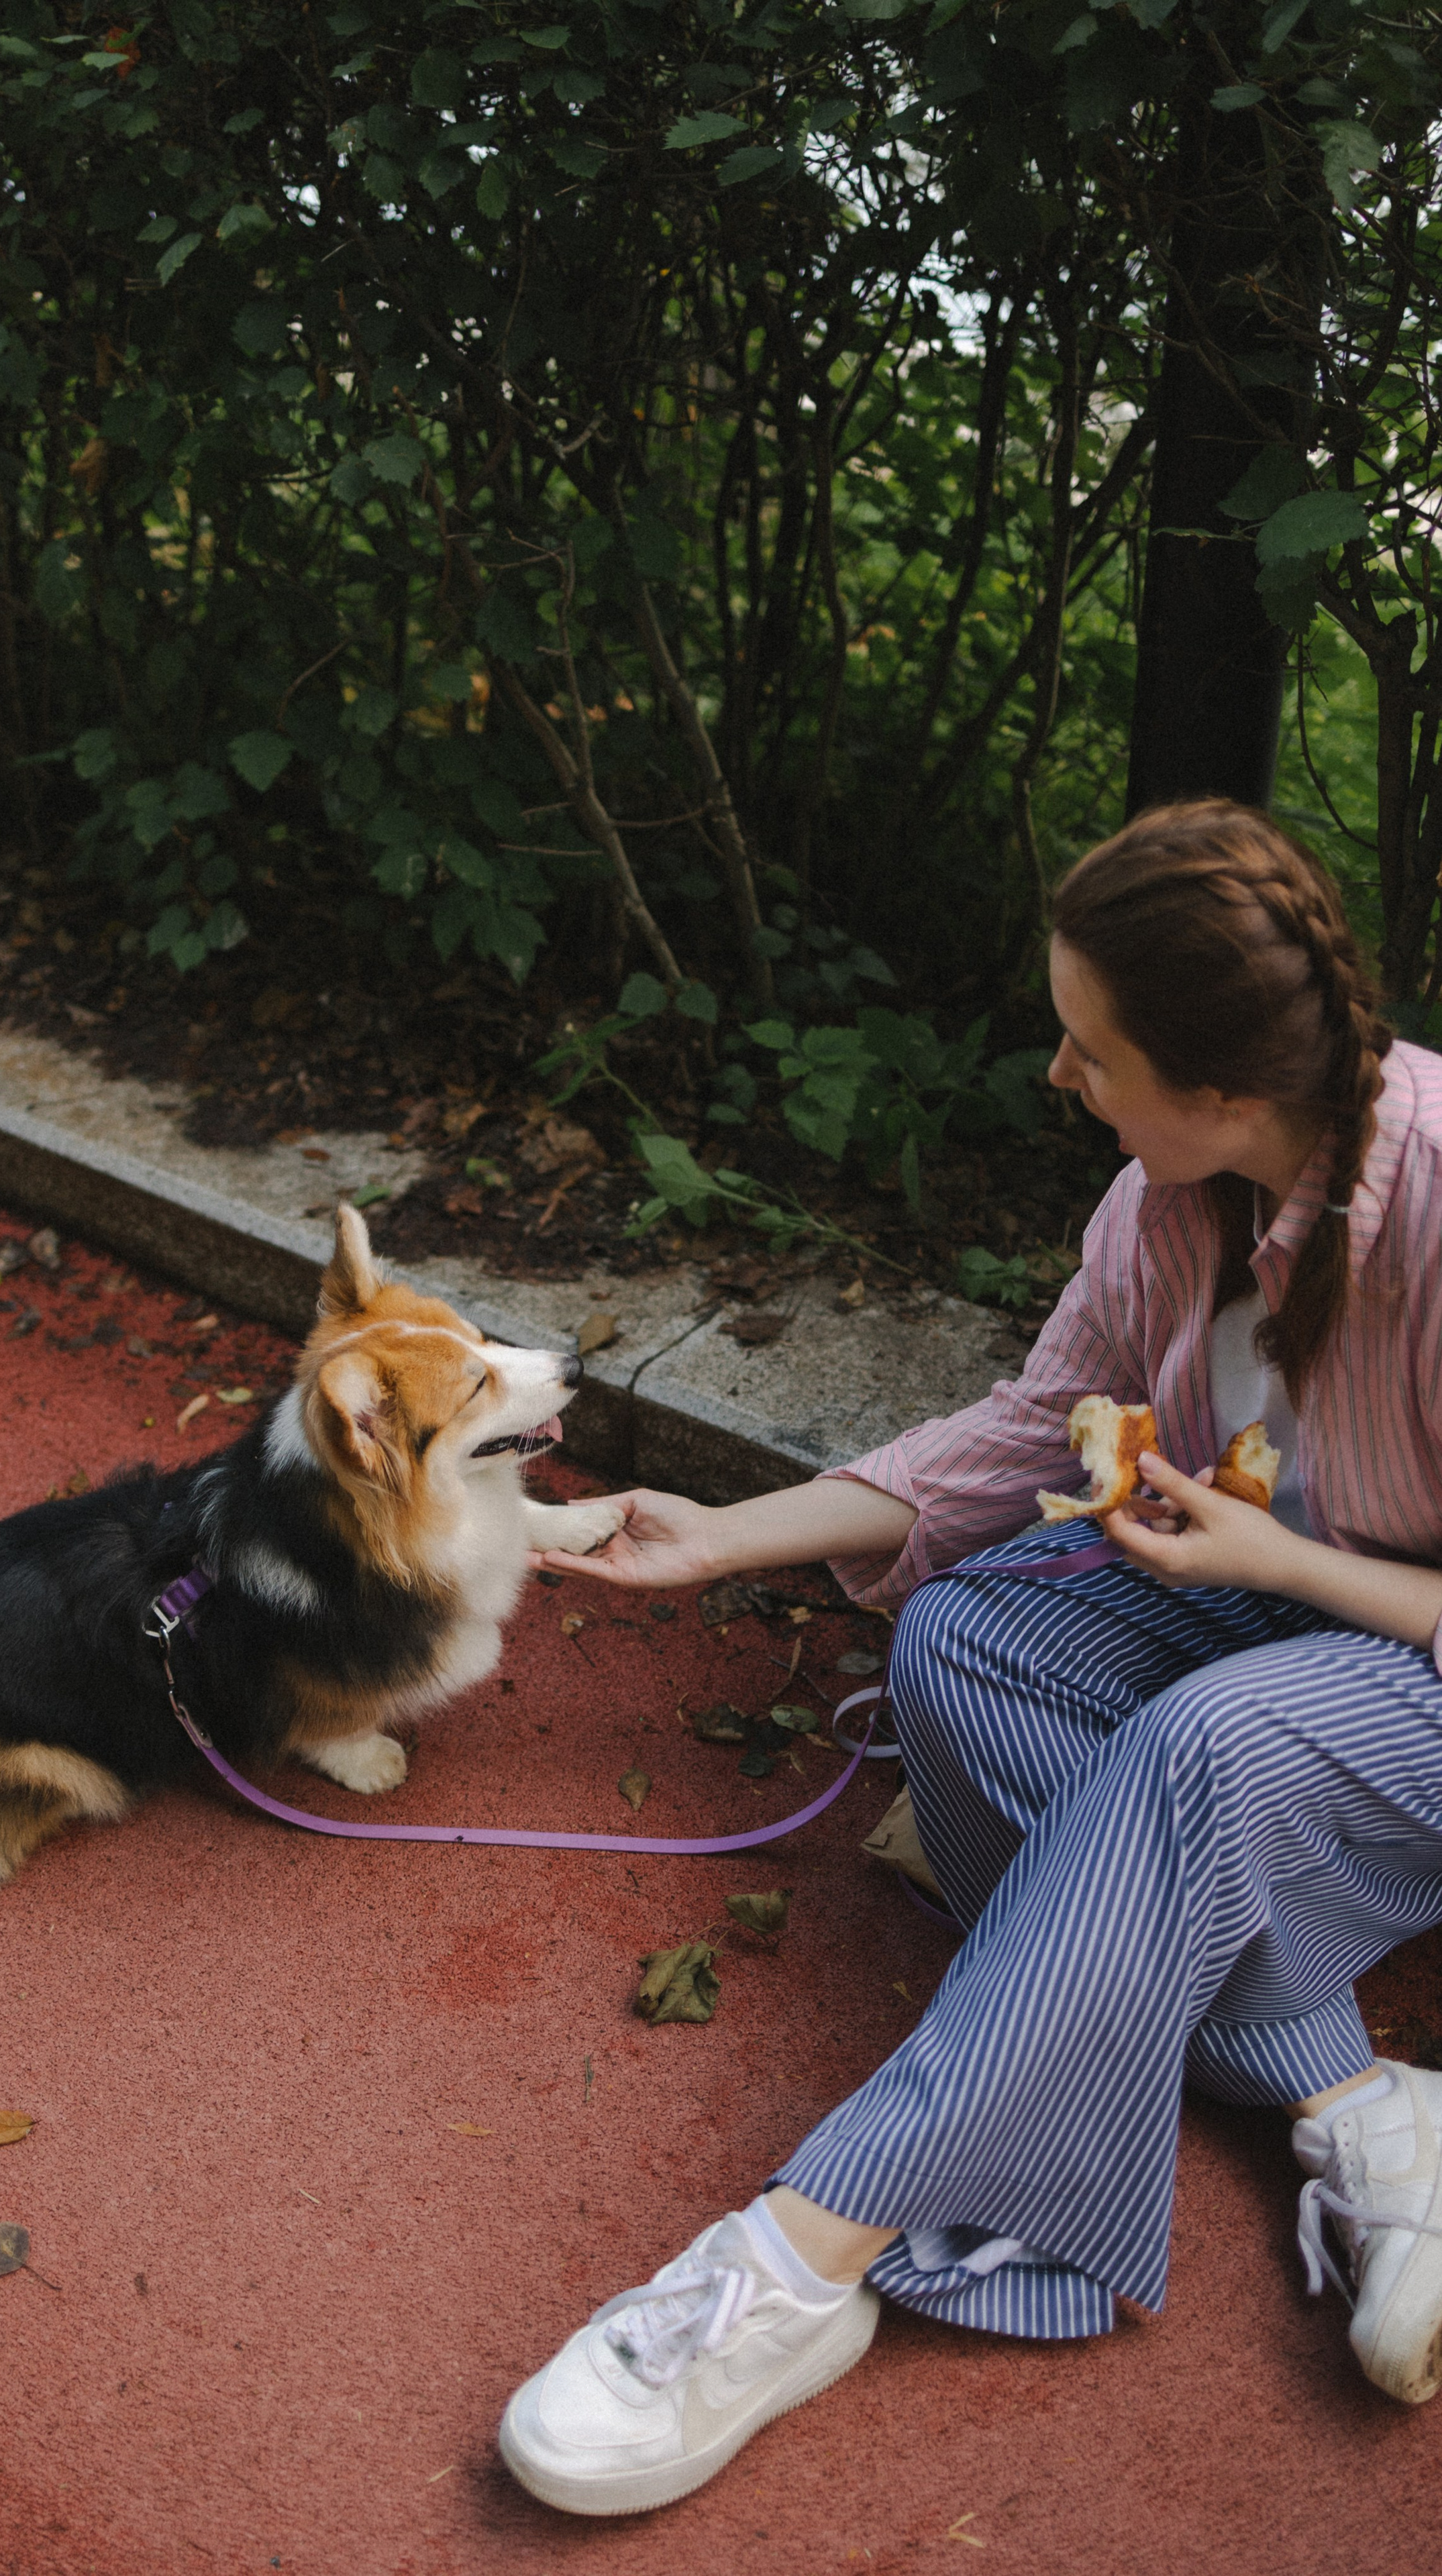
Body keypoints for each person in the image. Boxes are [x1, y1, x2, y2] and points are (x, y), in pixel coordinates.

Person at [496, 800, 1442, 2519]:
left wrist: (1286, 1565)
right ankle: (1350, 2094)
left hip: (1406, 1676)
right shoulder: (1175, 1192)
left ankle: (793, 2262)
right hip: (1264, 1611)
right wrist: (720, 1531)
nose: (1058, 1076)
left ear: (1222, 1090)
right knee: (969, 1635)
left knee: (1208, 1746)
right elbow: (1025, 1428)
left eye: (1089, 1050)